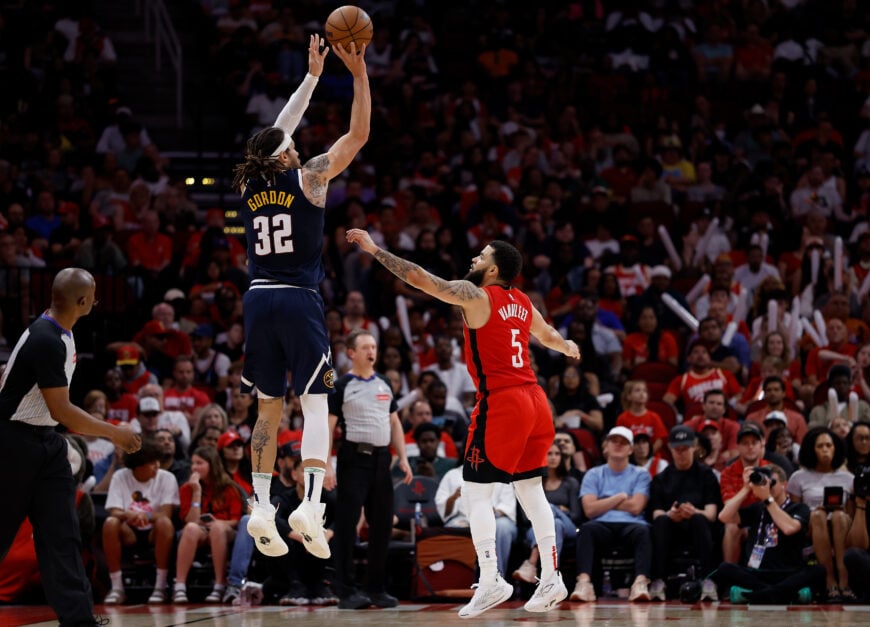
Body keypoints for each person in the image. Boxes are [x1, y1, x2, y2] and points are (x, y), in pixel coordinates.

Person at [347, 232, 579, 616]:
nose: (474, 258)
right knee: (530, 489)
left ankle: (490, 578)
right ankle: (552, 576)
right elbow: (549, 336)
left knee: (476, 491)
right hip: (537, 402)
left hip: (503, 401)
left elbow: (422, 279)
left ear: (493, 268)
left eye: (481, 256)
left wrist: (374, 250)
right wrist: (568, 347)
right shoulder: (523, 302)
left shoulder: (477, 296)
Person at [232, 34, 370, 560]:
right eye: (289, 141)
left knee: (268, 408)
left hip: (257, 298)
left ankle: (262, 506)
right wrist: (355, 74)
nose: (295, 141)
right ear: (285, 153)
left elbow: (272, 134)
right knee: (316, 404)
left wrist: (312, 77)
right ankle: (311, 504)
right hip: (298, 297)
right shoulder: (309, 177)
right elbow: (358, 134)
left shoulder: (249, 186)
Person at [0, 267, 141, 626]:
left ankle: (79, 620)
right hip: (13, 443)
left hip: (43, 442)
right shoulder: (46, 338)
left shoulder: (57, 329)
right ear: (82, 301)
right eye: (93, 295)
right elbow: (63, 412)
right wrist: (115, 433)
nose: (96, 300)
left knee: (62, 533)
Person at [328, 328, 413, 609]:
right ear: (351, 353)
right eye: (365, 347)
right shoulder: (341, 386)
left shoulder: (385, 383)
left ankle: (376, 588)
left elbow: (395, 423)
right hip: (353, 459)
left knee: (382, 525)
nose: (372, 351)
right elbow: (329, 426)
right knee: (347, 523)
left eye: (373, 346)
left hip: (381, 460)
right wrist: (327, 463)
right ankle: (345, 589)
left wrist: (402, 457)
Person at [714, 464, 826, 604]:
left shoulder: (799, 508)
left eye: (772, 482)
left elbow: (789, 528)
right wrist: (746, 488)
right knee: (725, 568)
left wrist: (768, 499)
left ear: (784, 485)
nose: (768, 486)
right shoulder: (756, 509)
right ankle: (781, 594)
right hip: (757, 574)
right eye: (764, 482)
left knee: (818, 570)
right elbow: (724, 517)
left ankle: (758, 595)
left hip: (787, 573)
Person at [569, 427, 653, 603]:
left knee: (644, 532)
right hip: (601, 525)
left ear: (631, 449)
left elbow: (636, 507)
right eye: (614, 441)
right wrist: (621, 497)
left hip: (632, 524)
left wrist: (604, 501)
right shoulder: (593, 474)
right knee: (586, 529)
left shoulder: (641, 474)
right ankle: (584, 584)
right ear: (605, 446)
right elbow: (589, 510)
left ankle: (640, 583)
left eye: (624, 442)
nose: (618, 445)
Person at [648, 426, 722, 601]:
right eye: (677, 449)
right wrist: (670, 514)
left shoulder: (706, 475)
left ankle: (708, 579)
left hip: (699, 528)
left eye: (686, 449)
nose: (681, 453)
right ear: (671, 450)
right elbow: (655, 513)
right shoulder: (661, 478)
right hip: (672, 530)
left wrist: (694, 511)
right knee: (661, 521)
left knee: (699, 519)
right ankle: (658, 580)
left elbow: (711, 513)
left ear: (693, 448)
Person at [102, 439, 179, 605]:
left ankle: (160, 586)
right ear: (138, 465)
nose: (157, 465)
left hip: (154, 532)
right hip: (129, 531)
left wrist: (147, 516)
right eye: (152, 462)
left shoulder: (167, 478)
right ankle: (116, 588)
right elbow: (114, 510)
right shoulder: (120, 476)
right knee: (110, 523)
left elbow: (166, 513)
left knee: (165, 523)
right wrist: (127, 515)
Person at [787, 426, 855, 600]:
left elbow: (851, 515)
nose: (825, 450)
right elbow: (795, 512)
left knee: (839, 516)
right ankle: (829, 579)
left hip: (841, 526)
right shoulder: (798, 477)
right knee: (818, 516)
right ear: (811, 449)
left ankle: (844, 578)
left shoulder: (849, 479)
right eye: (820, 446)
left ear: (835, 448)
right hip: (811, 526)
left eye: (829, 445)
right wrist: (818, 510)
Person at [173, 446, 245, 604]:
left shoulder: (229, 488)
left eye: (200, 463)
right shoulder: (187, 489)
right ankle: (179, 586)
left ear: (212, 464)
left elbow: (236, 520)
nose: (194, 468)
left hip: (226, 530)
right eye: (193, 463)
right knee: (191, 528)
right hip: (200, 530)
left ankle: (220, 585)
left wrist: (218, 523)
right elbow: (190, 521)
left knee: (217, 529)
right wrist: (197, 492)